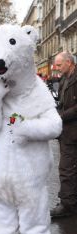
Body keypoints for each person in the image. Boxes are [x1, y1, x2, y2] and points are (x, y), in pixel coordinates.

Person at [51, 52, 77, 218]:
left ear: (69, 62)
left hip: (72, 131)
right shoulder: (63, 79)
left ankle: (67, 205)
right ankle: (71, 202)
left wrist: (61, 116)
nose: (57, 68)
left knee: (66, 169)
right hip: (67, 133)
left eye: (59, 65)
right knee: (69, 168)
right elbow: (61, 103)